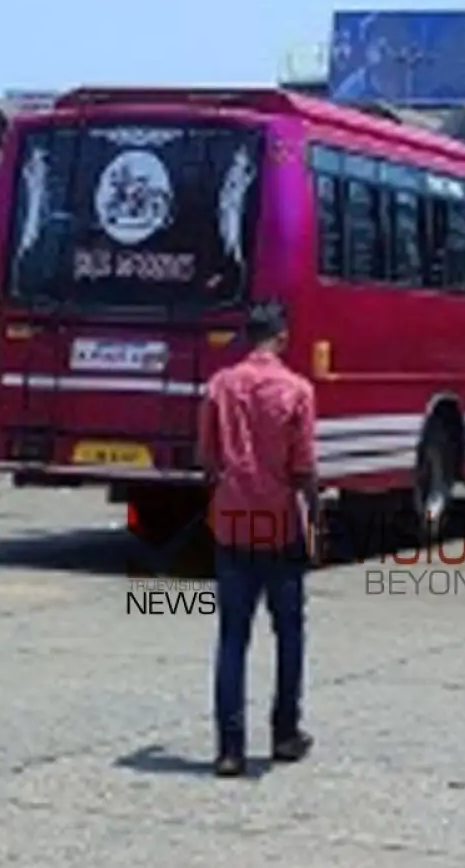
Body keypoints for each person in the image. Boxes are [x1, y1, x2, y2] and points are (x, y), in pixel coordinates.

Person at [197, 301, 318, 778]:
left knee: (232, 636)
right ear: (282, 338)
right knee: (288, 632)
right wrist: (315, 511)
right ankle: (285, 732)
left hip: (231, 522)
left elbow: (205, 456)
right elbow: (303, 466)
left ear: (248, 337)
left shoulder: (219, 386)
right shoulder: (298, 391)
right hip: (280, 522)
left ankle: (230, 748)